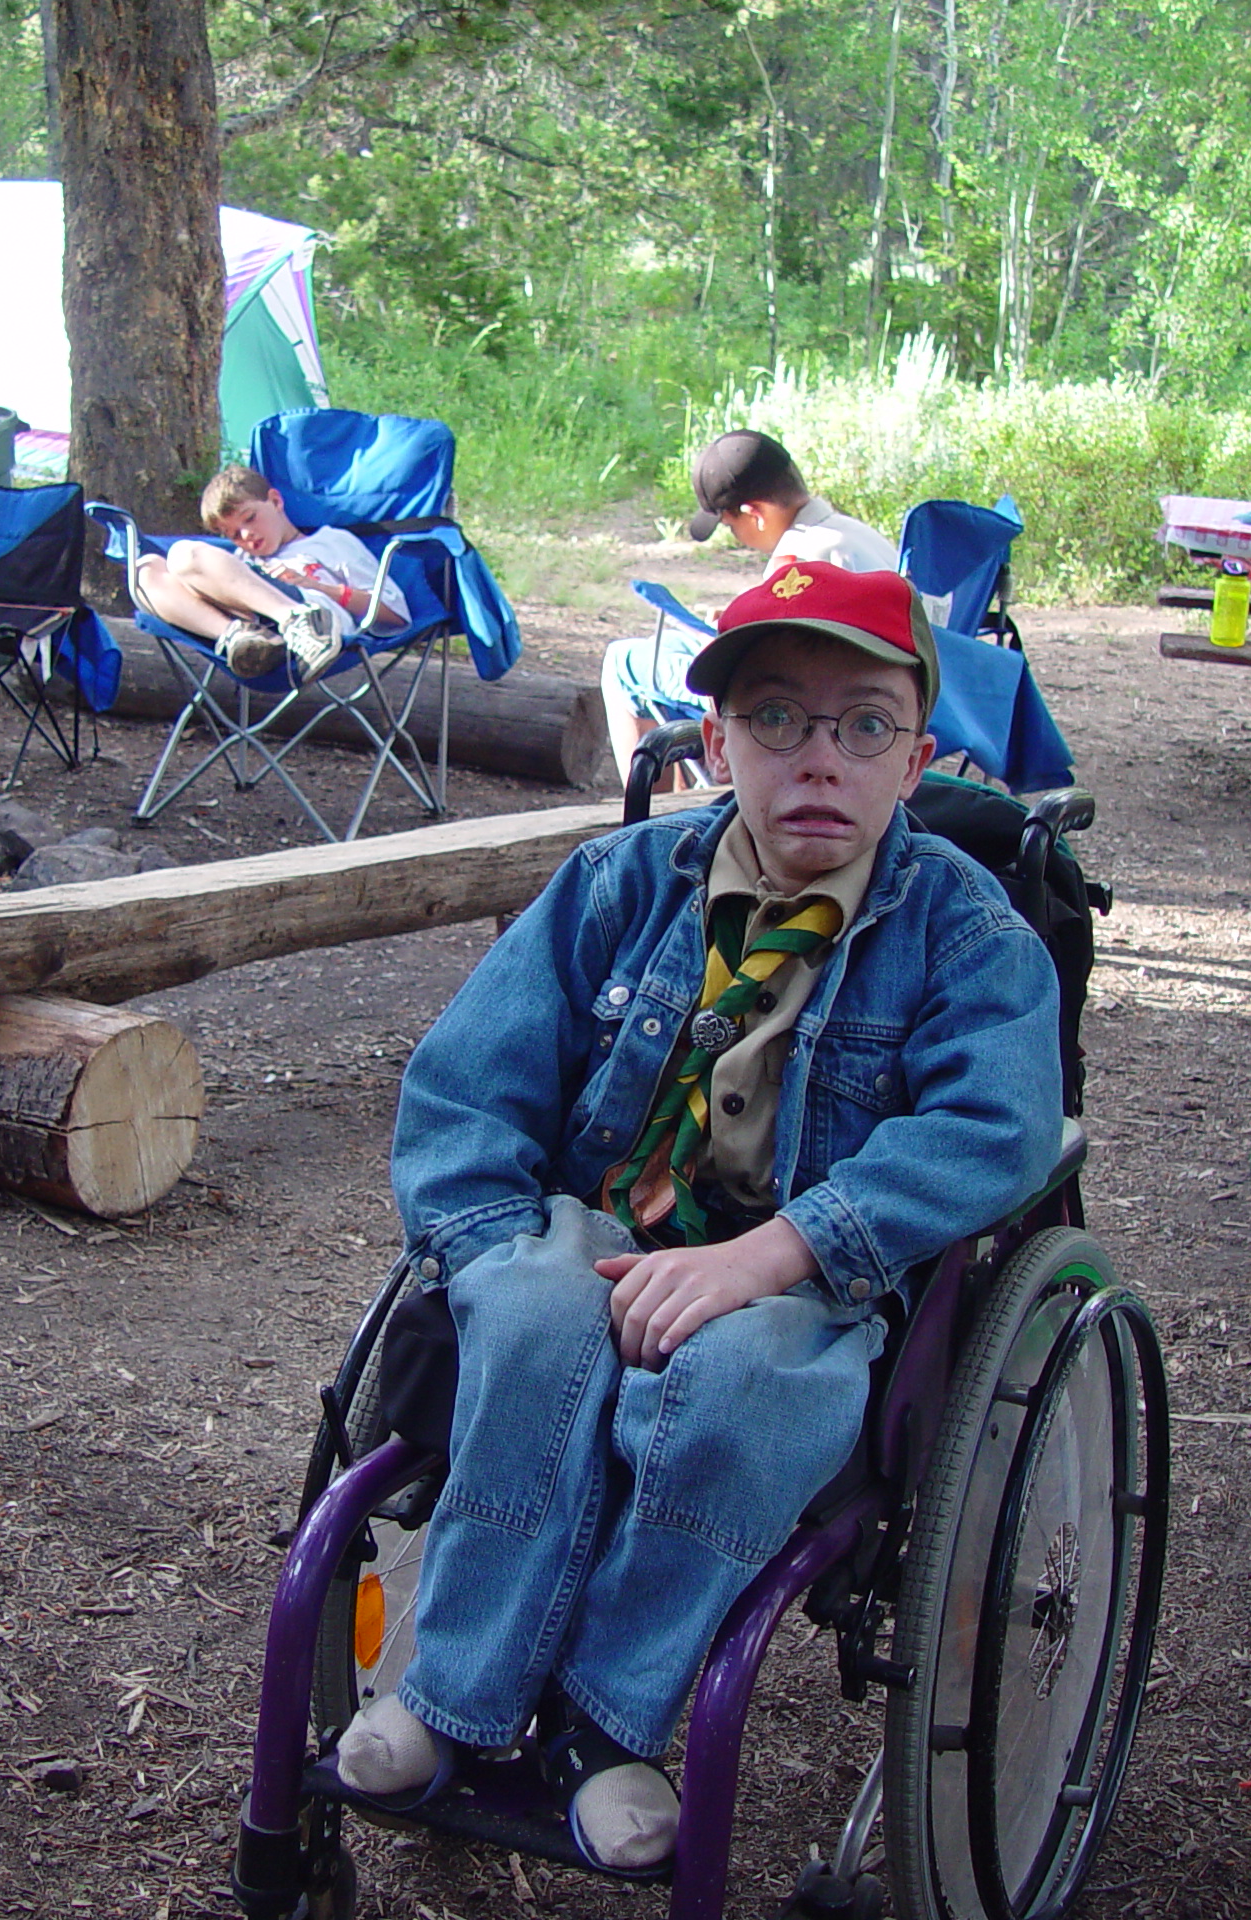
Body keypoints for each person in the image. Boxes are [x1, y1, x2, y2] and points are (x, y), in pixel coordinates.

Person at [342, 564, 1064, 1873]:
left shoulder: (966, 932)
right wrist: (490, 1242)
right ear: (715, 738)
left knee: (749, 1390)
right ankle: (449, 1693)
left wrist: (783, 1250)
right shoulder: (617, 885)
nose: (818, 760)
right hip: (592, 1220)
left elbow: (997, 1127)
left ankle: (603, 1725)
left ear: (919, 758)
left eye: (864, 726)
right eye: (776, 719)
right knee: (529, 1316)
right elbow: (467, 1082)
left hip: (801, 1272)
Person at [603, 430, 901, 785]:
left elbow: (775, 662)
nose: (735, 536)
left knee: (623, 662)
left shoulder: (796, 559)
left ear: (754, 513)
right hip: (877, 696)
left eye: (730, 526)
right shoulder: (857, 535)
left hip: (804, 705)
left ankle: (646, 814)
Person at [132, 464, 405, 684]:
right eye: (234, 535)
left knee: (184, 555)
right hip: (255, 632)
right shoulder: (241, 560)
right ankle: (238, 637)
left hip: (317, 619)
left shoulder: (330, 542)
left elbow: (395, 614)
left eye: (250, 518)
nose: (247, 535)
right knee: (145, 570)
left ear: (275, 501)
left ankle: (300, 621)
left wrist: (319, 587)